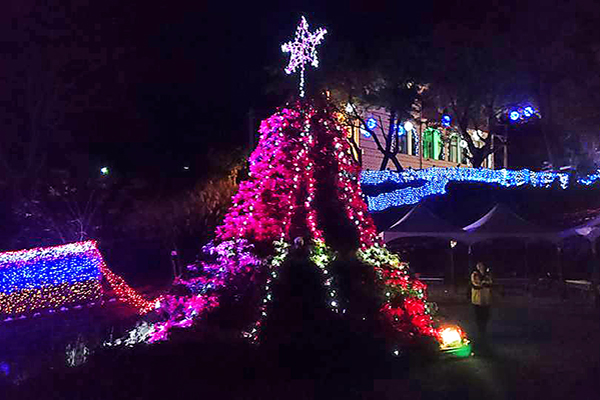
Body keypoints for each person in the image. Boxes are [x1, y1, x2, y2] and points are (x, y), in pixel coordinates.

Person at [471, 262, 493, 338]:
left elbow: (490, 283)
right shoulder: (475, 274)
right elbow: (476, 284)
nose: (481, 267)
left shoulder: (487, 275)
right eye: (479, 266)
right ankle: (480, 331)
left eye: (482, 266)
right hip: (477, 300)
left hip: (486, 299)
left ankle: (484, 330)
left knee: (486, 316)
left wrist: (484, 283)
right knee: (479, 316)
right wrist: (484, 283)